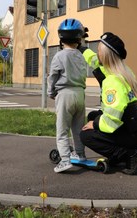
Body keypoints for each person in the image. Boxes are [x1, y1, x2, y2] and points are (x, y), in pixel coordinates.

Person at [79, 32, 137, 175]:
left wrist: (94, 124)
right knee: (94, 115)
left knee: (85, 135)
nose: (97, 54)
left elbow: (112, 120)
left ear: (105, 56)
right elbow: (94, 60)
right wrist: (81, 48)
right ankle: (119, 153)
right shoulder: (124, 71)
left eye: (98, 51)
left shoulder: (112, 82)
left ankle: (130, 156)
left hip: (134, 134)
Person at [48, 18, 87, 173]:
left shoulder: (59, 56)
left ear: (61, 38)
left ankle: (64, 160)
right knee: (78, 128)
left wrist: (51, 92)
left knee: (62, 130)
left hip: (65, 94)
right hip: (80, 94)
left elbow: (53, 76)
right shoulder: (81, 55)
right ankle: (80, 154)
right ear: (79, 38)